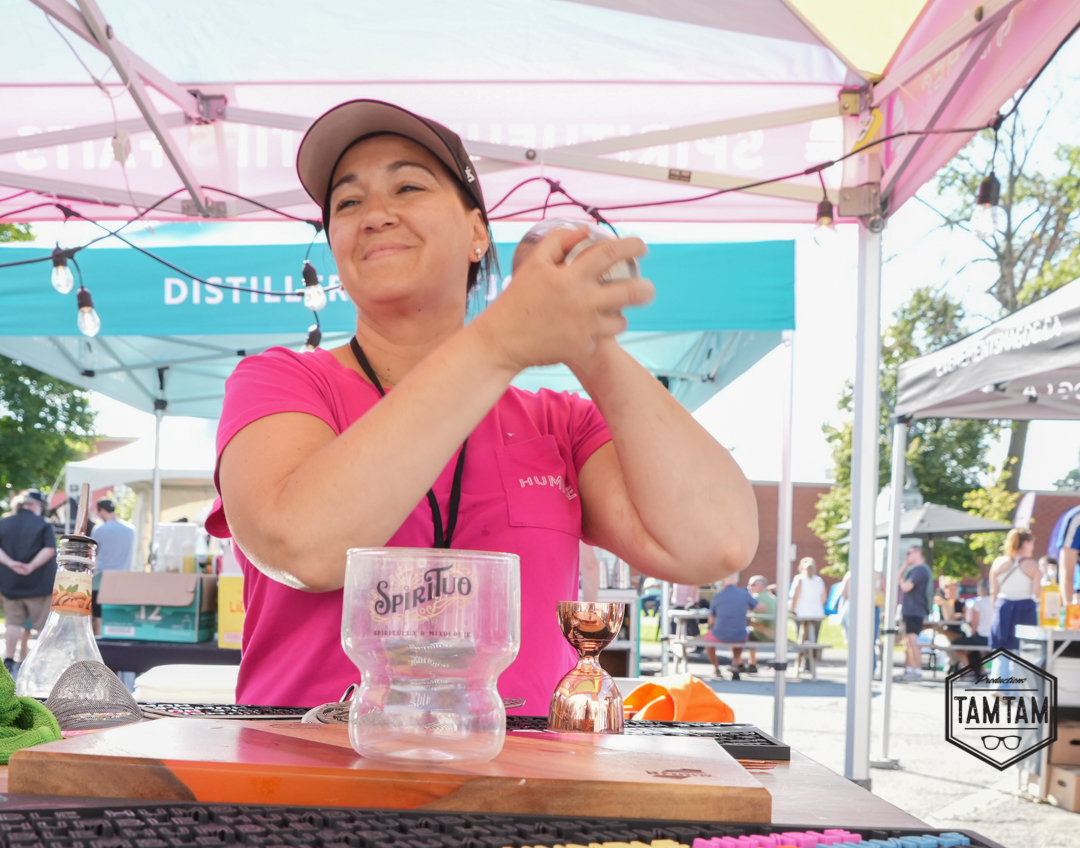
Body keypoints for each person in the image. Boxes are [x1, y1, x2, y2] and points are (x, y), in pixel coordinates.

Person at [207, 99, 759, 709]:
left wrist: (587, 340)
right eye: (348, 202)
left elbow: (717, 543)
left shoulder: (558, 423)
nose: (375, 215)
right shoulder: (280, 382)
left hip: (519, 770)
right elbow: (300, 547)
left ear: (477, 233)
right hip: (305, 768)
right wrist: (500, 340)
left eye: (408, 187)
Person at [0, 490, 57, 673]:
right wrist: (30, 566)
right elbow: (49, 549)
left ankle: (9, 660)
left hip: (10, 583)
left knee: (13, 623)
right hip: (39, 584)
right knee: (42, 625)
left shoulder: (3, 522)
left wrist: (11, 563)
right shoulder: (43, 524)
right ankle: (42, 663)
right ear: (36, 505)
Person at [704, 572, 765, 680]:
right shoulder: (744, 595)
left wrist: (713, 626)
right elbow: (762, 608)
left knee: (708, 641)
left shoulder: (717, 596)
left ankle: (717, 669)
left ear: (723, 584)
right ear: (736, 583)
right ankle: (735, 663)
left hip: (719, 634)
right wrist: (749, 609)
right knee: (739, 639)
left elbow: (711, 620)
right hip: (739, 634)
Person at [989, 529, 1039, 651]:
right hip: (1025, 608)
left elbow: (993, 592)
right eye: (1032, 544)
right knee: (1024, 650)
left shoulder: (998, 563)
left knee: (1000, 651)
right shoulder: (1033, 565)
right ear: (1026, 543)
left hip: (1003, 607)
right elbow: (1038, 593)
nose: (1033, 547)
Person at [899, 543, 932, 681]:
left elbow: (906, 587)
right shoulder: (914, 570)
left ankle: (917, 670)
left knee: (912, 641)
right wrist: (904, 567)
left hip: (915, 611)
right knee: (907, 641)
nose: (906, 556)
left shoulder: (921, 570)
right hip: (908, 611)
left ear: (917, 553)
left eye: (909, 553)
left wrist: (902, 576)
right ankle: (910, 669)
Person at [790, 557, 826, 671]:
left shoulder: (799, 579)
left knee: (802, 638)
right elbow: (823, 598)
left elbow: (795, 596)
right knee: (814, 638)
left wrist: (792, 609)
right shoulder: (819, 580)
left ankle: (803, 660)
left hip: (802, 612)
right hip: (817, 613)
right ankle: (811, 662)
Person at [952, 579, 992, 671]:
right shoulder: (996, 602)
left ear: (980, 590)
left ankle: (968, 670)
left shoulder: (978, 603)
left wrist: (973, 635)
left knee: (956, 645)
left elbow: (975, 623)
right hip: (993, 638)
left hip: (981, 637)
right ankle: (980, 670)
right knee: (973, 648)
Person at [746, 574, 776, 673]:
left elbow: (746, 613)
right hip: (775, 634)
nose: (749, 587)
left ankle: (748, 663)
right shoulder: (773, 598)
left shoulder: (754, 598)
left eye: (752, 585)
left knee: (741, 633)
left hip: (760, 634)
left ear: (761, 586)